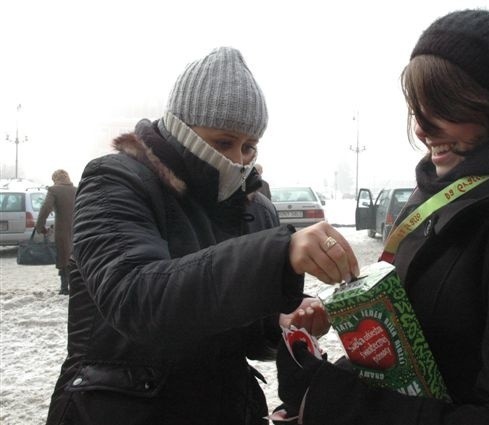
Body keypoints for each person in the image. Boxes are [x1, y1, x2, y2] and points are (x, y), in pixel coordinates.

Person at [276, 9, 489, 425]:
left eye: (441, 107)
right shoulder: (441, 196)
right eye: (417, 110)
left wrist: (333, 403)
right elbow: (424, 361)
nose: (421, 129)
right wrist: (332, 368)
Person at [44, 47, 359, 425]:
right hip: (117, 411)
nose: (239, 159)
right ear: (180, 130)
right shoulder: (115, 181)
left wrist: (284, 319)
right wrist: (275, 257)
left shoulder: (255, 207)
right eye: (224, 142)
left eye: (249, 146)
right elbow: (135, 298)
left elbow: (242, 334)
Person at [35, 169, 76, 295]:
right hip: (77, 229)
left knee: (63, 258)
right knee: (75, 258)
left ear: (55, 179)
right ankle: (75, 286)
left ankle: (64, 288)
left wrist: (40, 227)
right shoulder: (77, 189)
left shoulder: (54, 190)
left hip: (62, 230)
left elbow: (45, 208)